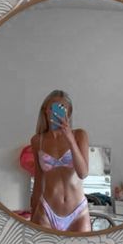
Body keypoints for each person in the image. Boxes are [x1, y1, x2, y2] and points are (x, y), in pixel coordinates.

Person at [30, 90, 91, 232]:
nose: (56, 112)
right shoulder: (37, 140)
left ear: (68, 113)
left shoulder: (79, 135)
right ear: (45, 111)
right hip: (46, 210)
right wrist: (32, 213)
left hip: (78, 213)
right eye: (53, 107)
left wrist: (69, 138)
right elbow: (38, 181)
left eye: (62, 108)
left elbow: (83, 173)